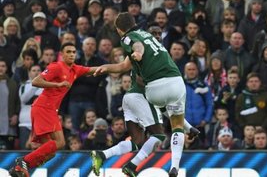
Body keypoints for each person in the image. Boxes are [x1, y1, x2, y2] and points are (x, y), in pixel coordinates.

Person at [90, 25, 200, 176]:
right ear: (146, 36)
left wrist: (188, 128)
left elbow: (122, 67)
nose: (156, 36)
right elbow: (143, 82)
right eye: (153, 33)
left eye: (159, 34)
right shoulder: (145, 55)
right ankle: (133, 166)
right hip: (139, 97)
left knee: (137, 141)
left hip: (131, 99)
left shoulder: (156, 55)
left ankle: (102, 155)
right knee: (159, 135)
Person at [8, 43, 100, 177]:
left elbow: (96, 69)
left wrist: (119, 66)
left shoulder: (75, 69)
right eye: (68, 52)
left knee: (51, 152)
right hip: (43, 108)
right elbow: (36, 81)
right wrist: (58, 84)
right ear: (62, 54)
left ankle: (20, 168)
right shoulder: (56, 66)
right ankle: (23, 161)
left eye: (74, 52)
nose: (71, 54)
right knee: (60, 142)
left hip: (49, 109)